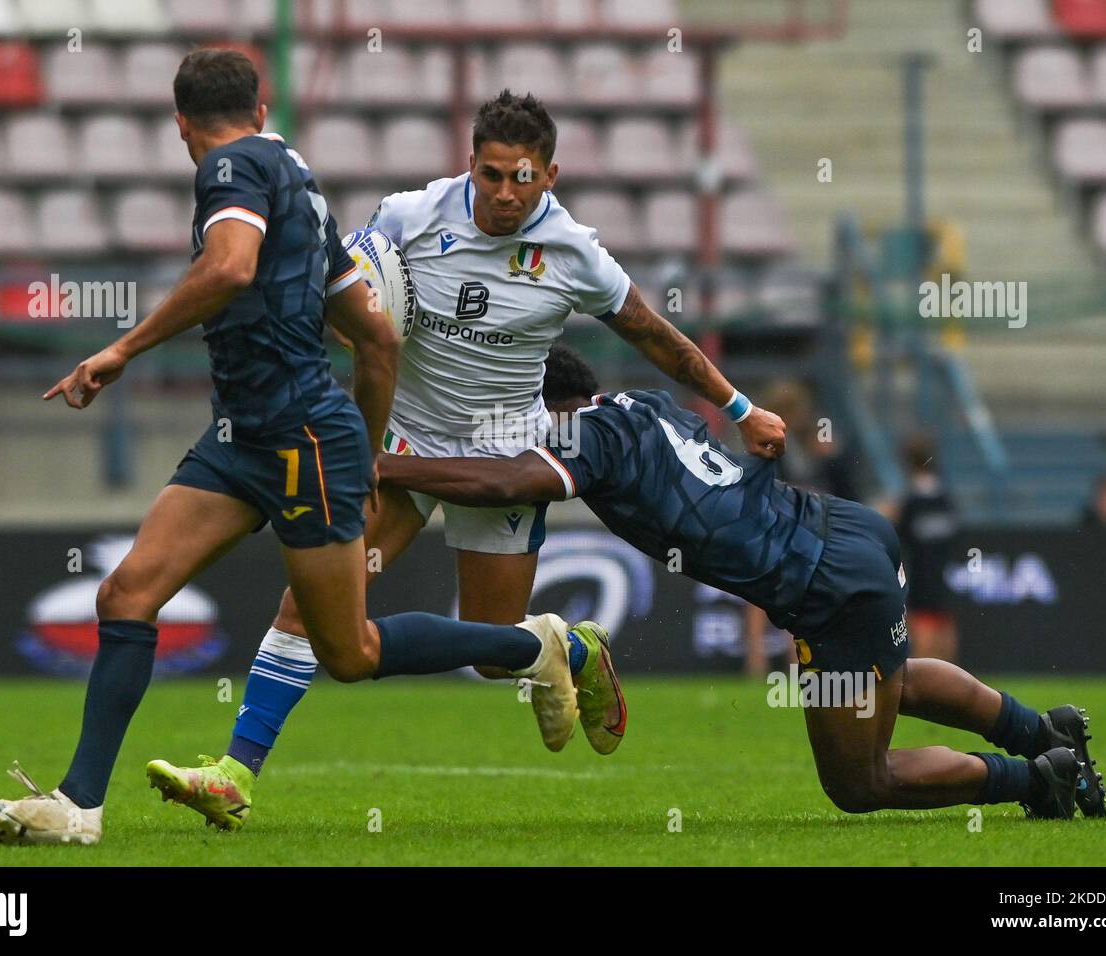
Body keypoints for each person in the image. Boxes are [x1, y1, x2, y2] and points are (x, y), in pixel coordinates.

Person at [0, 52, 620, 845]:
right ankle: (78, 807)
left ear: (180, 125)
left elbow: (232, 267)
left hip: (301, 442)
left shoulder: (232, 168)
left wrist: (123, 349)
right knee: (127, 595)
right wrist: (371, 453)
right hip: (245, 439)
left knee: (349, 650)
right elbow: (375, 340)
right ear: (262, 107)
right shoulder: (296, 179)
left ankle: (541, 645)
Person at [155, 89, 785, 828]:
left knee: (493, 656)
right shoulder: (408, 218)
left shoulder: (575, 253)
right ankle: (236, 773)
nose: (506, 193)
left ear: (550, 175)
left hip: (503, 456)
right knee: (315, 605)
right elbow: (345, 296)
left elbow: (655, 337)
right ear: (472, 165)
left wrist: (742, 409)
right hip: (403, 439)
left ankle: (570, 651)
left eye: (523, 177)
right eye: (492, 174)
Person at [376, 344, 1106, 820]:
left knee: (860, 783)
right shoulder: (642, 405)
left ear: (549, 408)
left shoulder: (584, 439)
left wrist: (382, 466)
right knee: (889, 679)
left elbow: (502, 480)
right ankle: (1044, 731)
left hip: (823, 584)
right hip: (846, 530)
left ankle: (1036, 781)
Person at [895, 433, 960, 661]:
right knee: (946, 653)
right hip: (942, 583)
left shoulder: (910, 503)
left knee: (923, 656)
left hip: (920, 585)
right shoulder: (946, 499)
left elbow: (898, 541)